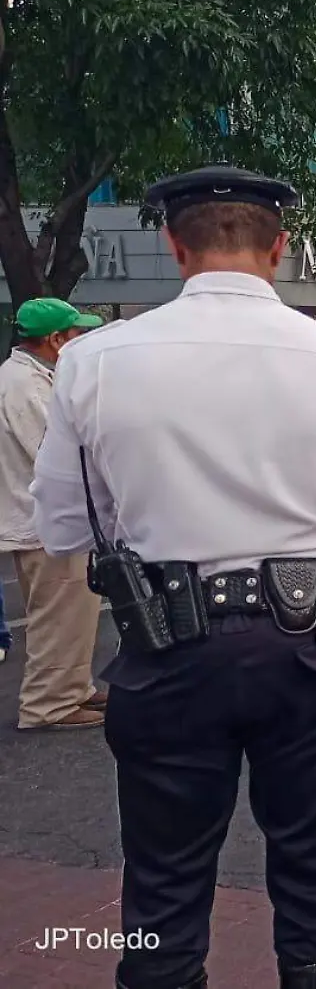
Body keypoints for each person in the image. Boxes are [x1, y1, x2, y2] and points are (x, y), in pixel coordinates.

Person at [30, 165, 316, 989]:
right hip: (309, 648)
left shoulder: (92, 363)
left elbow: (63, 527)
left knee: (163, 891)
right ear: (280, 247)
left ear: (174, 247)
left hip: (166, 648)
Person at [1, 298, 107, 730]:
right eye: (76, 333)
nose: (81, 340)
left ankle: (72, 688)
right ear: (55, 339)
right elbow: (55, 452)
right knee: (58, 613)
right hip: (44, 520)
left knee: (70, 612)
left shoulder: (30, 378)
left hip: (42, 518)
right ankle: (50, 704)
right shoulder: (25, 386)